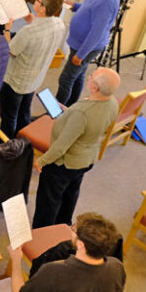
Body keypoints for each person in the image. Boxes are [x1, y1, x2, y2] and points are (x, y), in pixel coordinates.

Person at [33, 67, 120, 228]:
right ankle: (63, 225)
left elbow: (61, 147)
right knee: (70, 194)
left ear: (95, 87)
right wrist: (68, 112)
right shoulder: (112, 102)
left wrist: (41, 161)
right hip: (85, 159)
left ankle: (42, 236)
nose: (88, 77)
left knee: (49, 202)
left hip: (65, 164)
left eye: (91, 76)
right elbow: (89, 122)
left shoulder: (82, 113)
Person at [0, 0, 67, 138]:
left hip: (15, 81)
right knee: (24, 112)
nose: (34, 0)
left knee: (9, 116)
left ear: (42, 8)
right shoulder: (59, 24)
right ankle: (23, 139)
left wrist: (7, 29)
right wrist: (31, 19)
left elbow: (9, 51)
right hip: (35, 78)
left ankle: (6, 146)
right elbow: (41, 32)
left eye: (37, 0)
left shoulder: (28, 32)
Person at [56, 0, 120, 105]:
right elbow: (89, 9)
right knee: (78, 76)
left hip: (85, 46)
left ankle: (54, 115)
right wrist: (75, 6)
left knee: (66, 78)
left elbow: (97, 32)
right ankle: (70, 107)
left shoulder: (107, 1)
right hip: (80, 43)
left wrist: (81, 54)